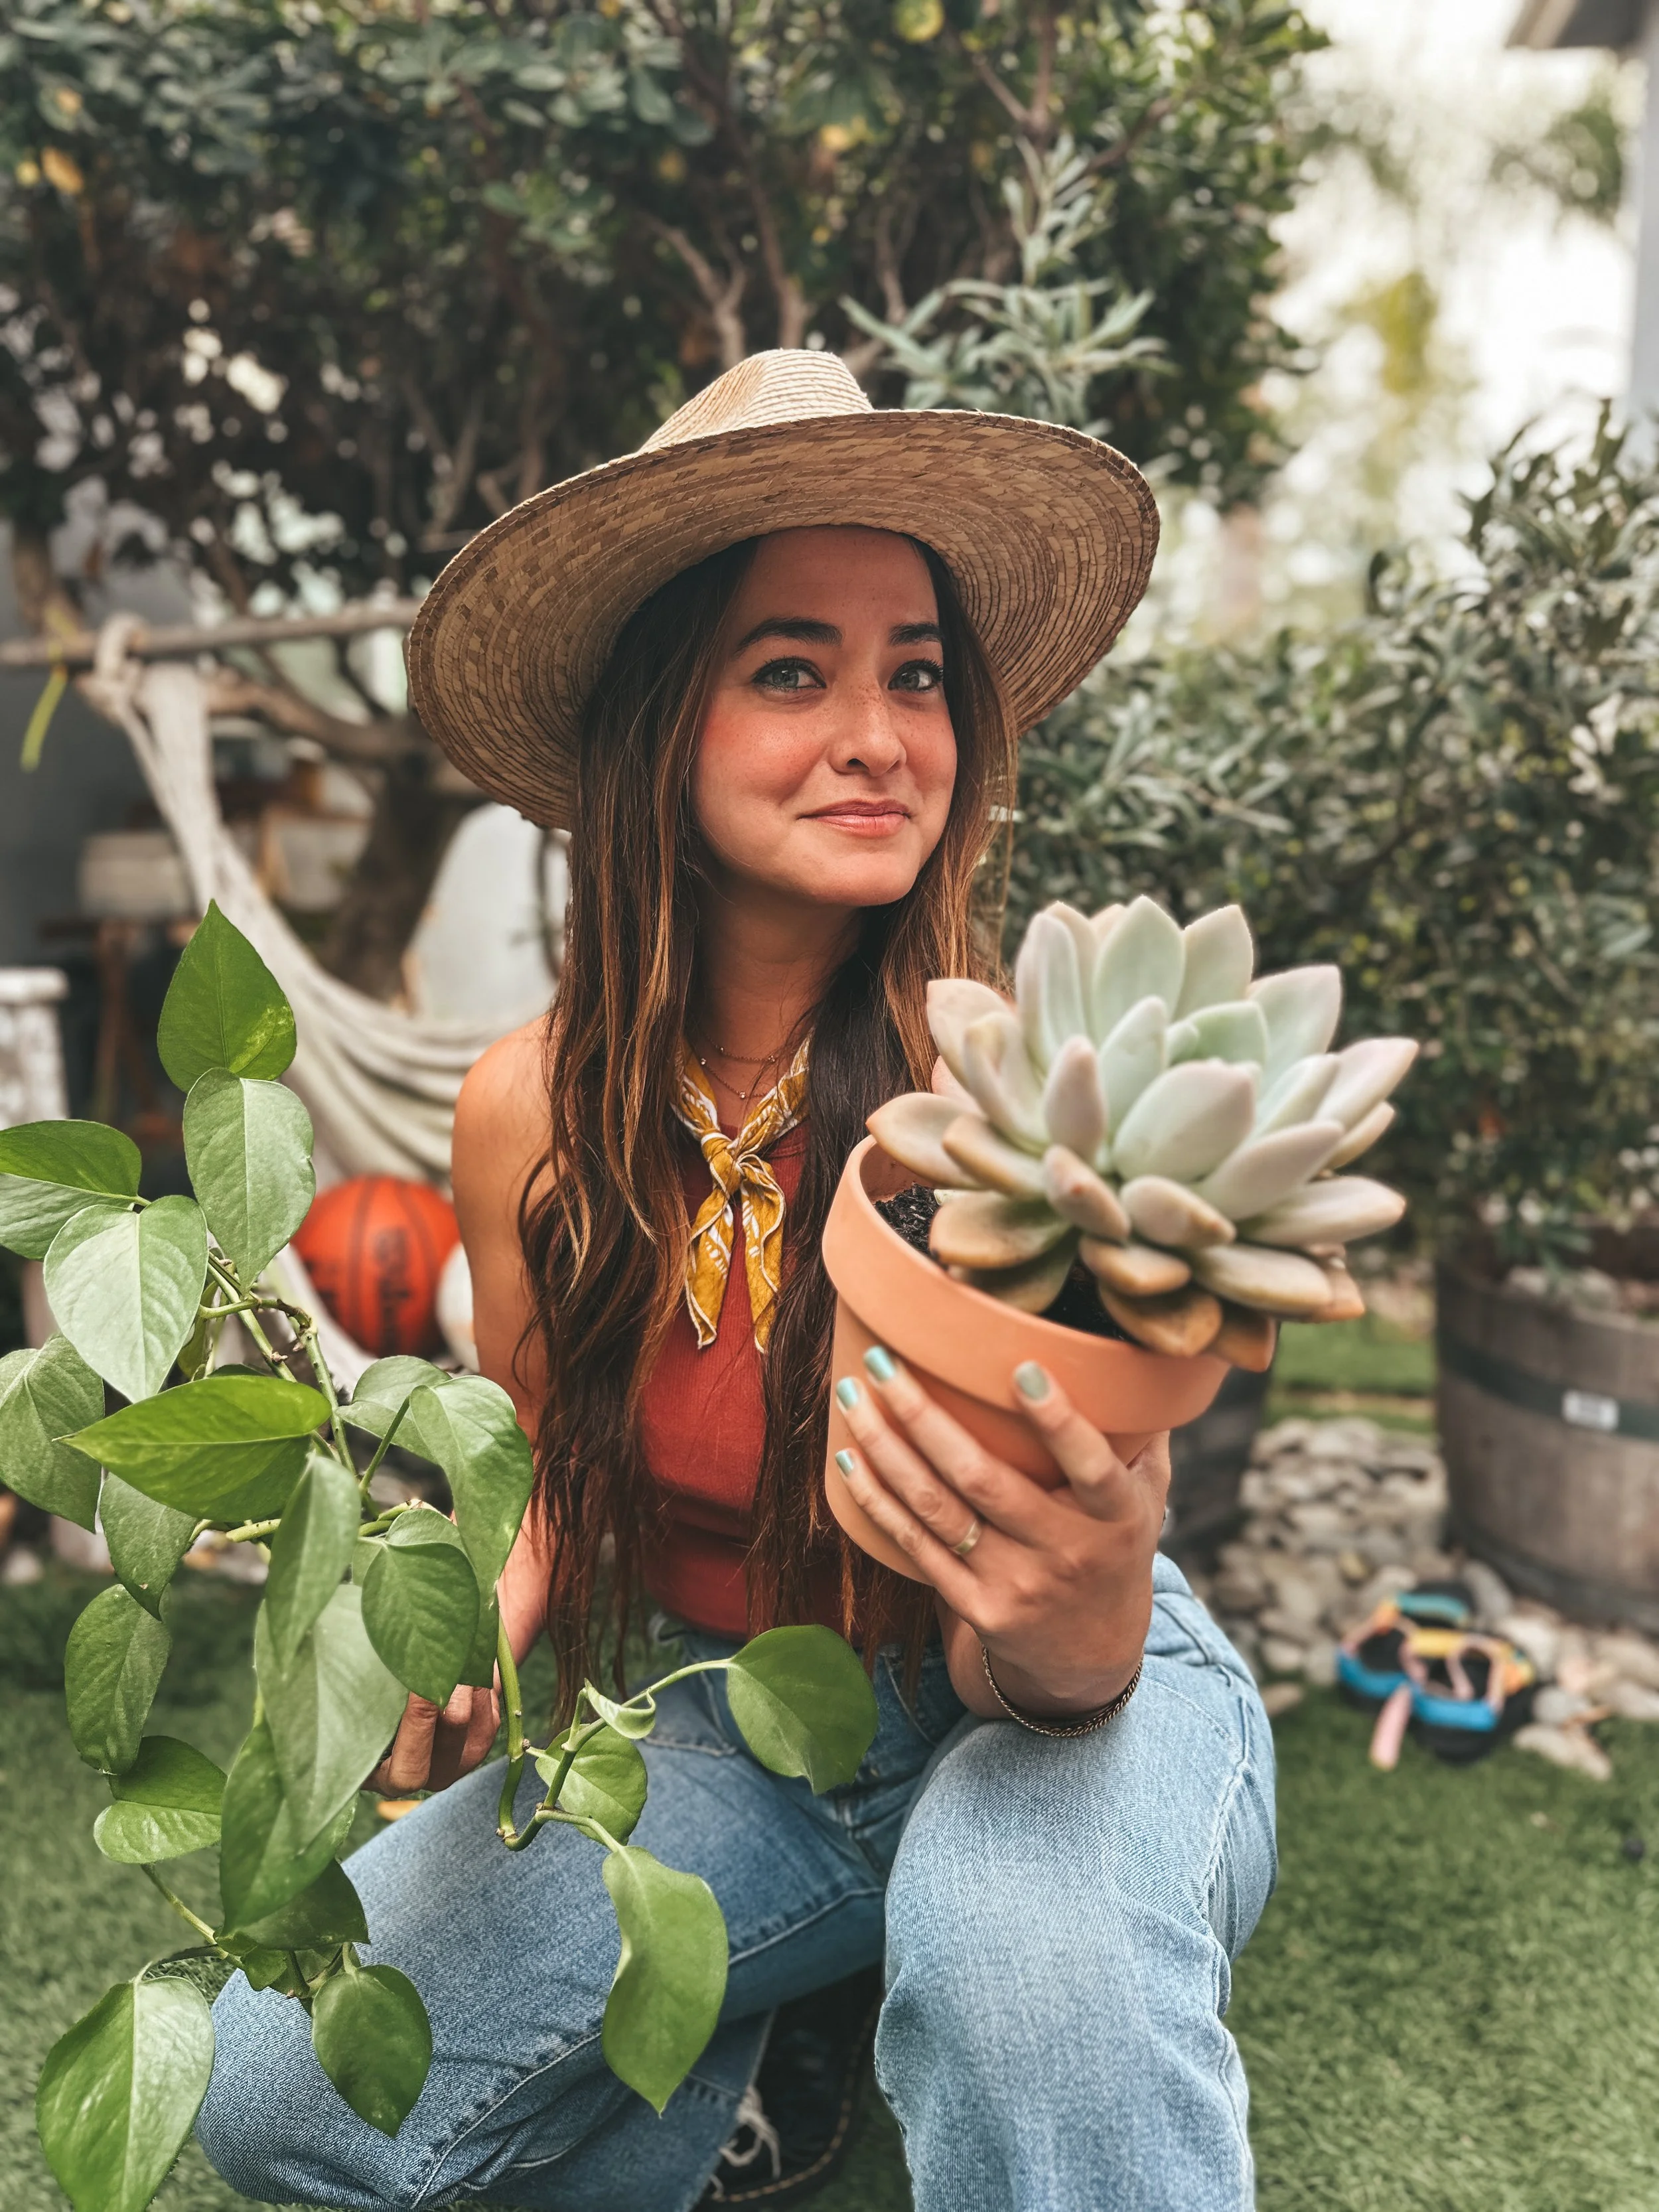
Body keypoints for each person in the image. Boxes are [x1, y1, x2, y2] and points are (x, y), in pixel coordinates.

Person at [197, 350, 1276, 2212]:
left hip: (1056, 1698)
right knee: (271, 2077)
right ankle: (763, 2014)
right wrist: (460, 1623)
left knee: (1013, 1963)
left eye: (912, 672)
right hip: (747, 1727)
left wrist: (1082, 1631)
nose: (878, 730)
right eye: (794, 667)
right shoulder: (523, 1107)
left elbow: (1026, 1623)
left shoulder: (1018, 1099)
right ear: (661, 721)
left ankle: (900, 1954)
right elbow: (541, 1453)